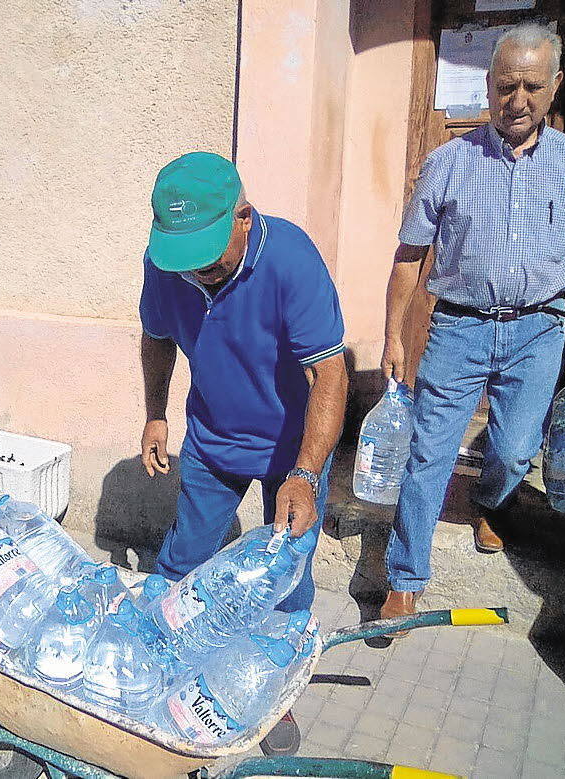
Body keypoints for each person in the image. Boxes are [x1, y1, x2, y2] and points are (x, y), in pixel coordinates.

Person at [380, 22, 565, 629]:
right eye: (506, 86)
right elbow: (409, 255)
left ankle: (492, 503)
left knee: (515, 448)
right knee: (428, 454)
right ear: (487, 85)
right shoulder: (448, 162)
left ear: (556, 86)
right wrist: (395, 335)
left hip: (539, 329)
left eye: (531, 86)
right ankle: (404, 577)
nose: (518, 101)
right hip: (458, 328)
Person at [139, 151, 348, 753]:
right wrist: (155, 413)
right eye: (185, 259)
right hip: (212, 439)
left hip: (293, 447)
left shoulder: (290, 259)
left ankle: (270, 690)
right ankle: (156, 667)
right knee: (184, 563)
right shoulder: (167, 263)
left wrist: (307, 474)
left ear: (244, 218)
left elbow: (329, 376)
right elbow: (157, 340)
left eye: (208, 255)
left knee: (283, 578)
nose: (197, 271)